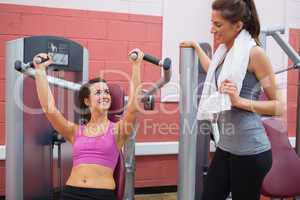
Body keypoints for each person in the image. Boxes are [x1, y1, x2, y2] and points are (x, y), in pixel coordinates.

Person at [180, 0, 284, 199]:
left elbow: (279, 106)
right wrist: (196, 47)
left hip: (251, 152)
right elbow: (213, 70)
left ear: (238, 25)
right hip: (227, 147)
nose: (212, 30)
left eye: (218, 25)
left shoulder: (255, 54)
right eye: (212, 23)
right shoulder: (225, 54)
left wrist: (239, 102)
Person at [33, 49, 144, 200]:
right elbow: (50, 110)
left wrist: (136, 66)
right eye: (98, 93)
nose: (104, 96)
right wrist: (40, 70)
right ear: (86, 101)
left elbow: (133, 108)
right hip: (71, 193)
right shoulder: (75, 131)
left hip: (100, 195)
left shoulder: (117, 130)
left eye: (106, 92)